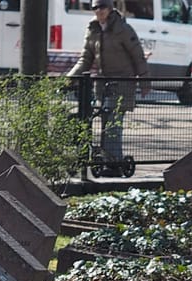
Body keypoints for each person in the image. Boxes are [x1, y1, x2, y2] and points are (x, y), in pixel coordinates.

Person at [69, 0, 150, 162]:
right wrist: (69, 78)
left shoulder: (123, 29)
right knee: (105, 123)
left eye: (102, 7)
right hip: (103, 85)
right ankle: (107, 161)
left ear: (110, 8)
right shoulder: (93, 29)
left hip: (122, 83)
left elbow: (138, 56)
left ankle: (113, 163)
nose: (99, 11)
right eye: (95, 7)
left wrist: (145, 82)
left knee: (113, 124)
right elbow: (85, 58)